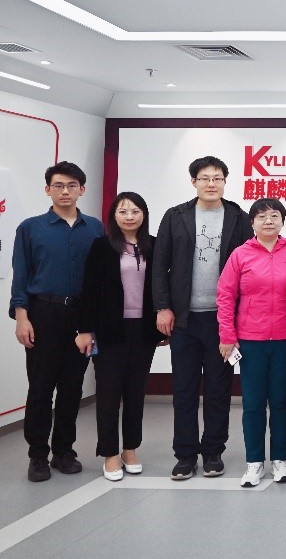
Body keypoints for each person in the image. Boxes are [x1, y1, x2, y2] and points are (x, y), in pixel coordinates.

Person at [153, 155, 253, 480]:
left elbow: (248, 267)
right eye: (205, 178)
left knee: (218, 389)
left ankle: (212, 452)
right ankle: (185, 455)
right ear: (193, 181)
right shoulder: (175, 216)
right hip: (184, 319)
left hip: (222, 320)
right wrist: (163, 307)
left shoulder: (239, 217)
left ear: (225, 182)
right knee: (183, 390)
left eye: (217, 178)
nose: (211, 183)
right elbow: (160, 264)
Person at [10, 161, 104, 482]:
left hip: (82, 317)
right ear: (47, 189)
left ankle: (64, 451)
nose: (66, 191)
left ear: (82, 190)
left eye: (72, 185)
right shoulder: (30, 228)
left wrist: (94, 323)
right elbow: (21, 276)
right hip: (43, 313)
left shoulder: (95, 229)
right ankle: (37, 455)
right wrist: (22, 317)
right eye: (59, 185)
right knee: (40, 388)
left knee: (72, 388)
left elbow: (101, 279)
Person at [75, 192, 165, 481]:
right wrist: (84, 329)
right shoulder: (102, 246)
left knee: (136, 392)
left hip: (144, 330)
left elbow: (162, 286)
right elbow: (89, 290)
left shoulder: (154, 245)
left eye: (135, 211)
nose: (129, 216)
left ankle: (130, 449)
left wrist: (162, 324)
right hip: (109, 329)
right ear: (113, 216)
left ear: (144, 214)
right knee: (109, 393)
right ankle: (110, 453)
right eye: (123, 211)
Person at [217, 198, 286, 488]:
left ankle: (280, 460)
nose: (268, 221)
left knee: (280, 401)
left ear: (283, 221)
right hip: (250, 341)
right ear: (252, 222)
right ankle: (254, 462)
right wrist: (227, 336)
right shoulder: (240, 254)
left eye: (274, 216)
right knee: (253, 403)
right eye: (261, 216)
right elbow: (225, 296)